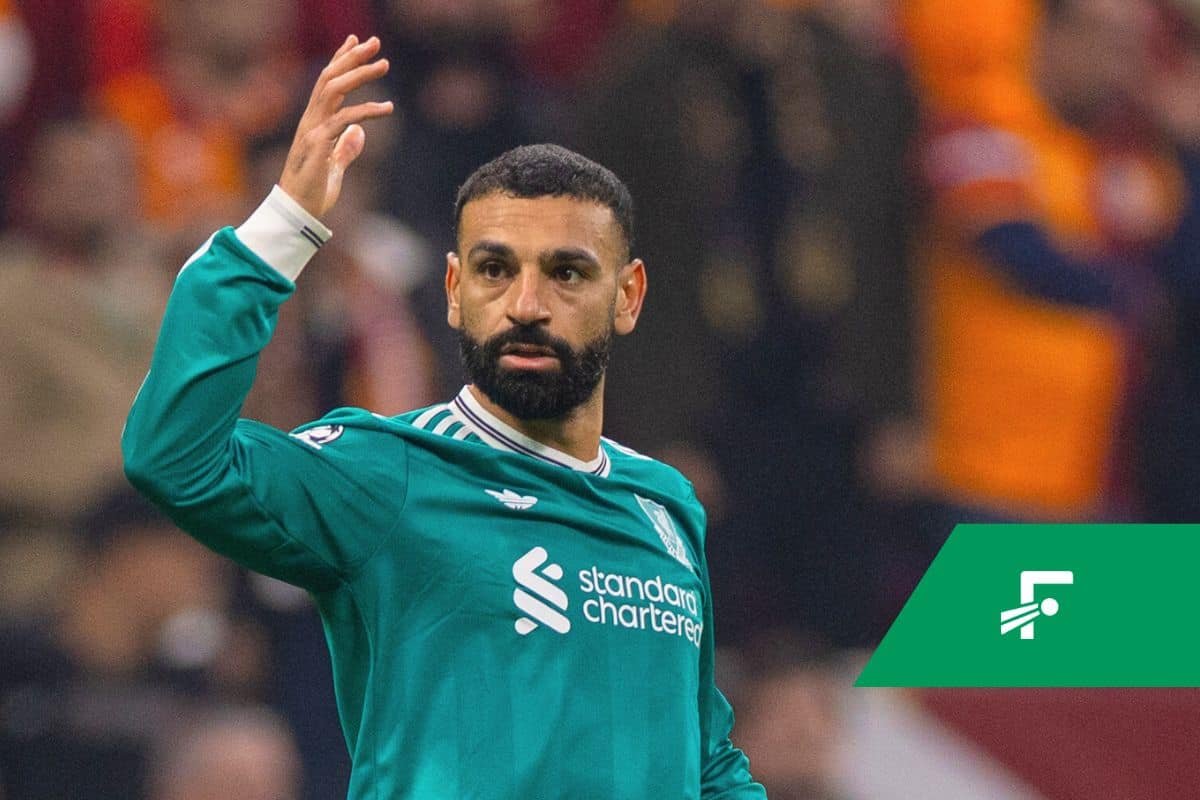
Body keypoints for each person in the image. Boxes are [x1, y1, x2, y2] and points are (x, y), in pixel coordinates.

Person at [122, 35, 765, 799]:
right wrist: (283, 226)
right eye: (495, 270)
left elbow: (705, 760)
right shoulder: (385, 473)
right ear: (455, 291)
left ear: (627, 296)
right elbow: (174, 458)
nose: (527, 305)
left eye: (566, 272)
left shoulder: (664, 503)